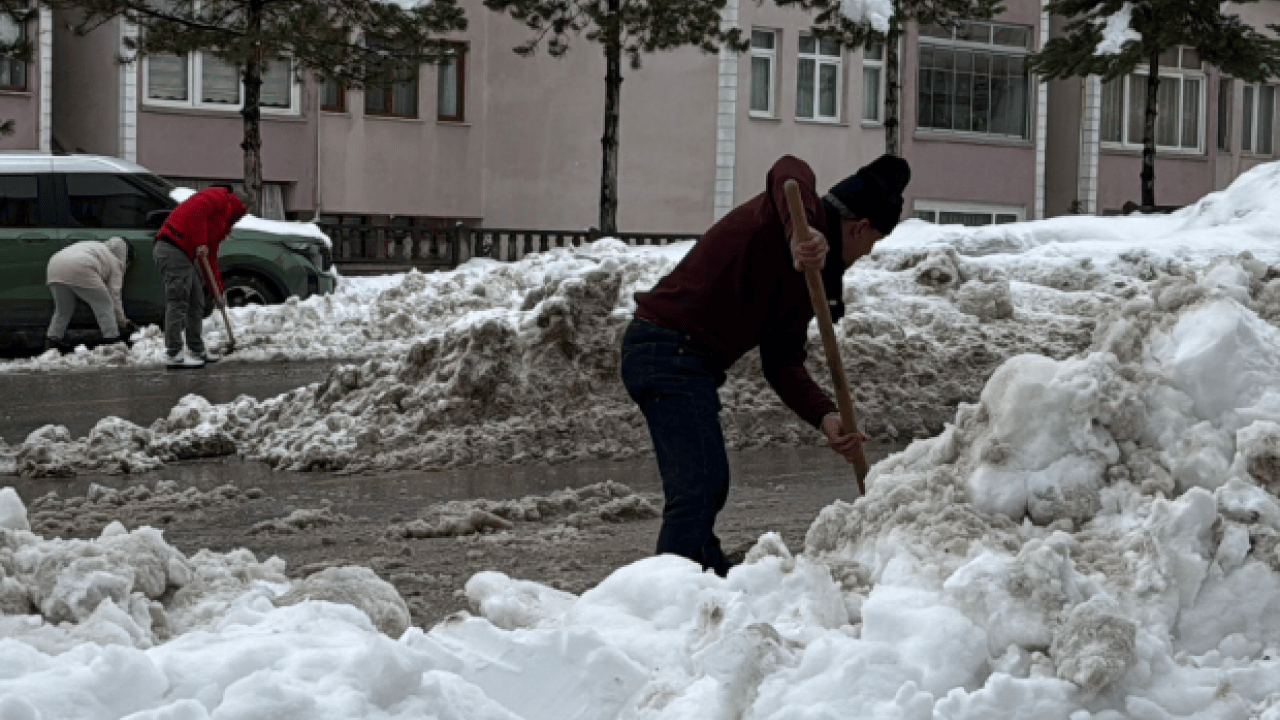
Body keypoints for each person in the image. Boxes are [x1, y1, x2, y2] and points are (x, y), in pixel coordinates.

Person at [621, 154, 912, 576]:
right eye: (873, 242)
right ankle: (672, 590)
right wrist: (799, 233)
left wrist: (826, 416)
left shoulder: (811, 279)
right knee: (698, 486)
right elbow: (789, 170)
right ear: (860, 227)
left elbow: (782, 360)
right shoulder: (790, 217)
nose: (866, 253)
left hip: (684, 358)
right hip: (665, 347)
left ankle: (707, 574)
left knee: (708, 484)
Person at [153, 185, 248, 369]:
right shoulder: (219, 195)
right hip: (172, 247)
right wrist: (200, 242)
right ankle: (173, 353)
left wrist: (217, 292)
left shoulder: (220, 221)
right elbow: (198, 210)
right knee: (178, 300)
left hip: (183, 254)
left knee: (196, 301)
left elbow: (209, 259)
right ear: (242, 206)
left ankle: (196, 348)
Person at [44, 237, 137, 353]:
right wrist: (123, 322)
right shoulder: (115, 261)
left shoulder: (96, 247)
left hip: (54, 266)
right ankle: (112, 341)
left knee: (63, 310)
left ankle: (51, 342)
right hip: (81, 266)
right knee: (105, 304)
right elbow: (114, 294)